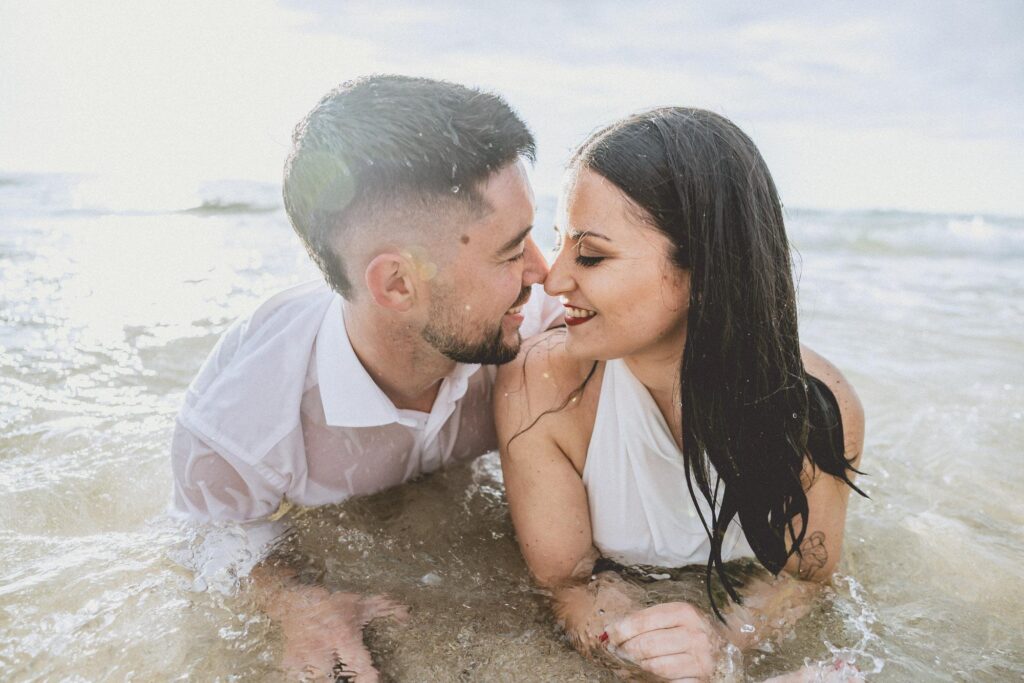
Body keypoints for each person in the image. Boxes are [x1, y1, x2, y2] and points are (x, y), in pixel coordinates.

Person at [170, 75, 560, 680]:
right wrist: (289, 601)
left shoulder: (542, 325)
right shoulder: (240, 427)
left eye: (533, 236)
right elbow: (206, 539)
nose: (545, 271)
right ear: (397, 284)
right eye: (511, 252)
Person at [495, 107, 866, 681]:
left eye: (590, 255)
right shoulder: (539, 387)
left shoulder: (817, 405)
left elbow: (804, 579)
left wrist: (725, 642)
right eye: (559, 243)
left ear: (704, 268)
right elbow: (567, 584)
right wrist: (632, 643)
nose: (554, 278)